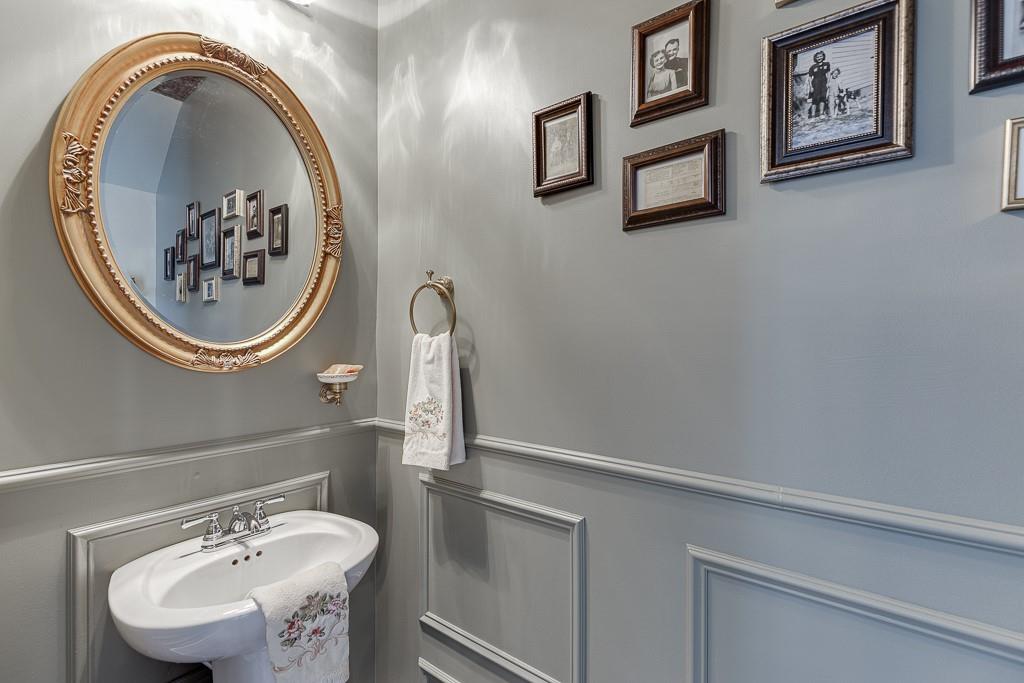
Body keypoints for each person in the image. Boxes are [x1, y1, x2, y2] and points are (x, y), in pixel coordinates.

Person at [806, 50, 831, 119]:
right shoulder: (813, 67)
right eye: (817, 57)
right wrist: (811, 86)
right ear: (815, 58)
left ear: (823, 57)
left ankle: (821, 113)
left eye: (820, 56)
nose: (819, 58)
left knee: (823, 98)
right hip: (815, 84)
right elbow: (809, 77)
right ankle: (813, 115)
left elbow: (828, 74)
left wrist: (828, 82)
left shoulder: (827, 64)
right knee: (815, 100)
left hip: (824, 83)